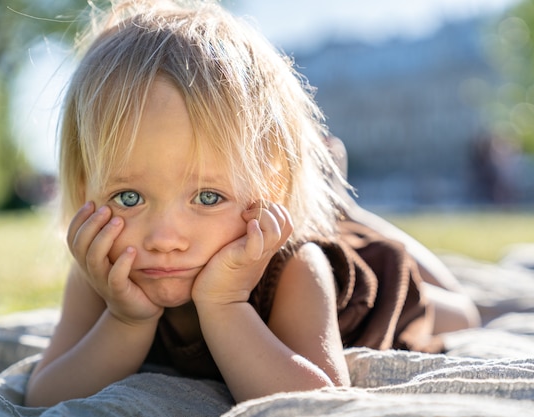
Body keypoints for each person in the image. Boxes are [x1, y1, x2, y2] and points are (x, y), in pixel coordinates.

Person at [25, 0, 479, 407]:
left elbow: (320, 402)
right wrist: (126, 321)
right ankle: (335, 206)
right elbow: (44, 394)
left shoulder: (297, 270)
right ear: (86, 186)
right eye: (129, 197)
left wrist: (224, 305)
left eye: (207, 197)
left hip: (372, 285)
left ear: (270, 188)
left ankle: (347, 211)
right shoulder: (104, 269)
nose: (164, 239)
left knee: (463, 311)